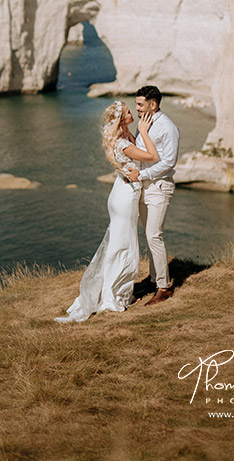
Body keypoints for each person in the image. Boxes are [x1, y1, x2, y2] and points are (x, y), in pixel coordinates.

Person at [55, 100, 158, 323]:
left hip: (121, 192)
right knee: (122, 246)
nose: (134, 113)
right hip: (125, 196)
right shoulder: (123, 143)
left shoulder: (124, 137)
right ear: (123, 119)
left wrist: (136, 134)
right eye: (130, 112)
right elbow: (152, 157)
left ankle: (119, 291)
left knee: (119, 244)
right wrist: (144, 133)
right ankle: (114, 296)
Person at [125, 85, 181, 306]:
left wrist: (142, 174)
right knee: (149, 237)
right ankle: (152, 279)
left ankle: (164, 287)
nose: (137, 108)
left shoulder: (168, 128)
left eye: (140, 104)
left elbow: (168, 162)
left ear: (153, 104)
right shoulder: (144, 124)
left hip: (159, 187)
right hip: (144, 186)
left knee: (154, 235)